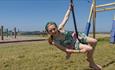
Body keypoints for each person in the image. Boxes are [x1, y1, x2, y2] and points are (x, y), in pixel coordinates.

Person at [45, 3, 102, 70]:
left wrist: (69, 9)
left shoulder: (60, 28)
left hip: (77, 36)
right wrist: (81, 51)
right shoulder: (55, 41)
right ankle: (92, 63)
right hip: (73, 44)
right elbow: (66, 50)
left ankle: (89, 58)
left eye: (54, 29)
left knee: (95, 41)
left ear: (57, 27)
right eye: (50, 30)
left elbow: (66, 18)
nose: (53, 31)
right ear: (48, 32)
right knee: (90, 49)